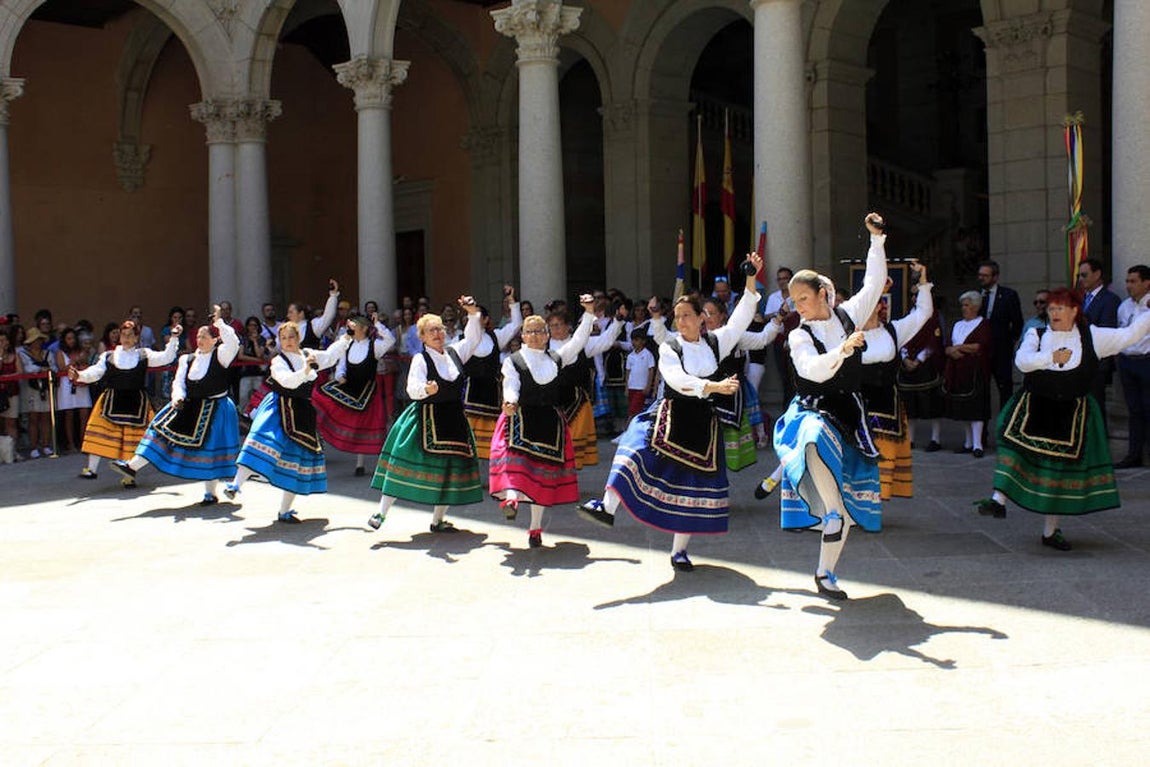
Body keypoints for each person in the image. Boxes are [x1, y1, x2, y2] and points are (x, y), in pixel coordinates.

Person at [578, 253, 763, 572]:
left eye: (687, 315)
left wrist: (749, 278)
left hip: (703, 426)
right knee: (632, 448)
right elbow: (676, 379)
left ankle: (679, 552)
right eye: (677, 316)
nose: (681, 321)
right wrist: (712, 388)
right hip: (670, 414)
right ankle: (607, 506)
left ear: (702, 318)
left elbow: (743, 315)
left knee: (692, 488)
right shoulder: (669, 347)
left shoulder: (717, 342)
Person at [767, 213, 888, 600]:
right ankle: (829, 510)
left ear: (823, 294)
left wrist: (876, 240)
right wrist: (844, 348)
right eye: (793, 300)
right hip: (812, 408)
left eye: (803, 297)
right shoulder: (799, 336)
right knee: (814, 439)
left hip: (850, 411)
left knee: (848, 514)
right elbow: (812, 371)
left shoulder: (849, 314)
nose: (798, 305)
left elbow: (873, 283)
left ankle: (825, 572)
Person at [975, 287, 1150, 550]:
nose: (1053, 312)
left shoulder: (1093, 337)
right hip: (1035, 404)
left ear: (1074, 311)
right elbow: (1022, 362)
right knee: (1014, 446)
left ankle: (1050, 532)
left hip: (1072, 412)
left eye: (1059, 308)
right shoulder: (1037, 333)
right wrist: (1051, 358)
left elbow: (1130, 334)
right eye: (1051, 308)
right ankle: (998, 499)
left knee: (1057, 471)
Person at [368, 297, 484, 533]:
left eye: (440, 329)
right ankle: (381, 512)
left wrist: (473, 314)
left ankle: (438, 520)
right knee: (401, 463)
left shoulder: (454, 352)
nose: (438, 334)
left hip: (453, 418)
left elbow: (473, 339)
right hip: (424, 417)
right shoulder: (420, 359)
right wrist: (426, 390)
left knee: (449, 469)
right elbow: (412, 388)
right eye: (431, 330)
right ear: (421, 336)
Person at [489, 297, 597, 548]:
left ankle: (535, 529)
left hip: (550, 422)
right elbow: (511, 383)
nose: (535, 335)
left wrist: (589, 313)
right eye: (530, 331)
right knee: (515, 465)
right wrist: (510, 402)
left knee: (542, 477)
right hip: (521, 417)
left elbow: (579, 341)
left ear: (547, 335)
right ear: (523, 336)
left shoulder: (556, 358)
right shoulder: (513, 360)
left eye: (540, 331)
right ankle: (512, 499)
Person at [109, 307, 241, 504]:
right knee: (159, 430)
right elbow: (178, 382)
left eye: (206, 337)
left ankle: (210, 493)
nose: (201, 340)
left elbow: (234, 342)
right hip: (189, 405)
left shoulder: (222, 355)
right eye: (199, 336)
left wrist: (220, 323)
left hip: (217, 407)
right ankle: (132, 466)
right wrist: (177, 397)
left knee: (210, 448)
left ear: (215, 340)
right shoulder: (186, 359)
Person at [223, 323, 351, 522]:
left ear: (298, 338)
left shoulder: (308, 354)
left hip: (302, 412)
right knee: (261, 444)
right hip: (279, 407)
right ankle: (236, 485)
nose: (288, 342)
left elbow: (330, 355)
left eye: (291, 337)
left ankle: (284, 511)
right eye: (284, 338)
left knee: (297, 460)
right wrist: (306, 370)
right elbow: (287, 381)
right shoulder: (278, 361)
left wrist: (347, 338)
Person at [71, 319, 181, 483]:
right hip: (111, 401)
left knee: (136, 439)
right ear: (119, 337)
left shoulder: (144, 354)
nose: (127, 338)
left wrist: (173, 338)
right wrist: (79, 375)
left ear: (137, 338)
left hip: (137, 403)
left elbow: (167, 357)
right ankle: (91, 469)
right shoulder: (108, 356)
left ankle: (128, 475)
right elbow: (95, 372)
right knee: (99, 434)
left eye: (130, 335)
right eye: (124, 335)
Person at [859, 265, 934, 500]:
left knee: (882, 455)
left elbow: (923, 313)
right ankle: (853, 505)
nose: (874, 307)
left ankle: (874, 505)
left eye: (877, 302)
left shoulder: (893, 331)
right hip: (856, 405)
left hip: (886, 405)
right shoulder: (847, 333)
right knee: (856, 455)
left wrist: (923, 283)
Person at [312, 311, 395, 476]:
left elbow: (390, 340)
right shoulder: (347, 344)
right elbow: (341, 365)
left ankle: (366, 463)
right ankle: (323, 437)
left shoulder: (375, 346)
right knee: (319, 393)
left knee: (368, 425)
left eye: (355, 325)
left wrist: (377, 324)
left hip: (368, 391)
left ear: (364, 328)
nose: (351, 327)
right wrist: (340, 376)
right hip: (349, 387)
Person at [462, 286, 522, 460]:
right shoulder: (464, 340)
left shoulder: (496, 337)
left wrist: (513, 303)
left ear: (486, 319)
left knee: (491, 433)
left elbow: (516, 325)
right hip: (470, 395)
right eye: (470, 316)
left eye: (478, 316)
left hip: (490, 393)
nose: (472, 319)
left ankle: (491, 468)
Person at [944, 291, 993, 457]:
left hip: (975, 372)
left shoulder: (983, 324)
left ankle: (978, 445)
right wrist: (952, 350)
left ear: (976, 306)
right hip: (958, 371)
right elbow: (949, 346)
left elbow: (979, 346)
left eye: (967, 305)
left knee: (976, 408)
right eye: (962, 305)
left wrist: (958, 348)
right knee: (963, 407)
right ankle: (968, 442)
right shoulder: (958, 325)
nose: (963, 308)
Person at [898, 285, 946, 451]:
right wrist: (905, 358)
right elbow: (901, 338)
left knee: (932, 404)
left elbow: (934, 342)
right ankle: (910, 439)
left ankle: (936, 439)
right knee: (910, 404)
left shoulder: (933, 317)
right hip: (908, 364)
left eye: (917, 295)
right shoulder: (908, 315)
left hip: (927, 365)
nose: (913, 299)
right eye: (912, 295)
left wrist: (918, 360)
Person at [1077, 258, 1122, 425]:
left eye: (1084, 275)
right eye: (1079, 275)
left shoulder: (1110, 299)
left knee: (1096, 406)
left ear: (1097, 275)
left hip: (1098, 362)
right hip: (1079, 361)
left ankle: (1099, 445)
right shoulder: (1080, 299)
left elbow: (1107, 330)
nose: (1081, 279)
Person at [1114, 265, 1150, 469]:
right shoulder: (1124, 307)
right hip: (1128, 362)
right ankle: (1134, 454)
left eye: (1133, 281)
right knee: (1134, 410)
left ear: (1147, 283)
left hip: (1147, 360)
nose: (1128, 285)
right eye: (1127, 281)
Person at [976, 260, 1023, 408]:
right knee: (981, 388)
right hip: (981, 350)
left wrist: (1009, 340)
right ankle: (981, 427)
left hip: (1001, 350)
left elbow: (1017, 322)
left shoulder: (1008, 295)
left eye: (985, 275)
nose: (981, 278)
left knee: (1004, 388)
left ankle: (1004, 423)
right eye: (980, 275)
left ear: (995, 277)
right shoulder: (975, 297)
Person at [54, 327, 93, 454]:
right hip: (66, 385)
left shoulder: (81, 351)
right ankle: (71, 444)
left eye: (73, 338)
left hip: (81, 383)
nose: (71, 341)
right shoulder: (61, 352)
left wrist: (82, 359)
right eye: (69, 339)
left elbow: (86, 363)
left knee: (84, 414)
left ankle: (84, 442)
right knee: (69, 415)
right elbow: (62, 367)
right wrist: (74, 361)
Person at [17, 327, 54, 458]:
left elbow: (53, 367)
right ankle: (33, 447)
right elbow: (28, 368)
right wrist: (41, 368)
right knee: (33, 418)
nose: (38, 342)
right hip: (31, 389)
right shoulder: (23, 354)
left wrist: (44, 369)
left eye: (39, 340)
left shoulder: (48, 353)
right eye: (35, 340)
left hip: (45, 388)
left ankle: (46, 445)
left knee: (46, 417)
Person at [0, 326, 22, 451]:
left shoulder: (15, 355)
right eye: (0, 341)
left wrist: (7, 376)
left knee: (11, 422)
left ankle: (13, 450)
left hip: (12, 392)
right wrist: (1, 355)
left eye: (5, 340)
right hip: (0, 393)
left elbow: (20, 372)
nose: (4, 343)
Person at [625, 329, 655, 418]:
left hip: (641, 388)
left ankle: (627, 429)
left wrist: (648, 386)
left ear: (643, 341)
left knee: (633, 411)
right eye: (633, 340)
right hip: (632, 387)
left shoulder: (648, 354)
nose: (634, 342)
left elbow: (651, 370)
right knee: (634, 410)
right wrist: (627, 387)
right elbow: (628, 372)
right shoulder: (630, 356)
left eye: (637, 340)